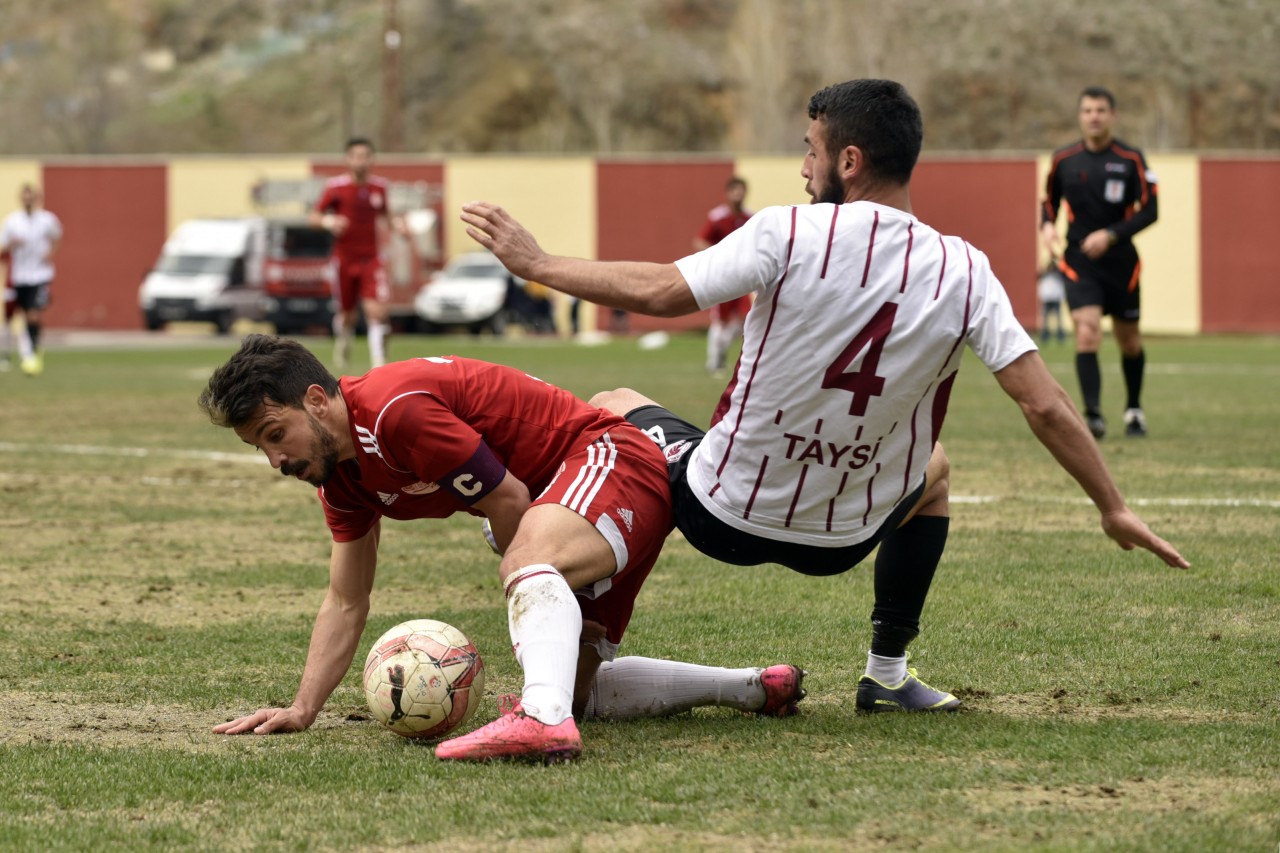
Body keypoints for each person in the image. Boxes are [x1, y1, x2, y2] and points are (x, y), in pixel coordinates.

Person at [458, 78, 1189, 714]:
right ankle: (887, 673)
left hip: (720, 512)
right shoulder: (966, 269)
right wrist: (1112, 506)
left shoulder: (787, 230)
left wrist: (539, 261)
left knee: (617, 399)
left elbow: (660, 290)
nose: (804, 167)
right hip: (845, 539)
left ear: (849, 160)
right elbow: (1044, 403)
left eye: (811, 150)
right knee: (933, 470)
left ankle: (533, 542)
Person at [198, 335, 805, 763]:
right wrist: (303, 708)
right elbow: (346, 599)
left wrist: (533, 595)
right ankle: (753, 687)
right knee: (579, 692)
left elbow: (510, 501)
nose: (278, 461)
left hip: (612, 458)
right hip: (570, 497)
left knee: (525, 564)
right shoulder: (341, 478)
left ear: (314, 399)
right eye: (262, 449)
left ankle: (539, 719)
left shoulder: (391, 411)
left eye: (276, 436)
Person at [1041, 86, 1159, 439]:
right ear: (1080, 116)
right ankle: (1092, 415)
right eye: (1088, 110)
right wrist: (1047, 226)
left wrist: (1111, 235)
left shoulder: (1130, 159)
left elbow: (1151, 209)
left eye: (1101, 110)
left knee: (1130, 342)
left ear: (1112, 115)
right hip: (1079, 262)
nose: (1094, 116)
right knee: (1087, 332)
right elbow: (1048, 202)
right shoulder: (1064, 160)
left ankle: (1134, 410)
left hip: (1121, 263)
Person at [311, 137, 394, 371]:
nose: (361, 161)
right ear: (348, 159)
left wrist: (401, 227)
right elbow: (313, 217)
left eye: (366, 156)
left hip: (371, 258)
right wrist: (330, 221)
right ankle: (344, 340)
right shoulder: (336, 187)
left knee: (375, 311)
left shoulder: (379, 187)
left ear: (372, 159)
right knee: (347, 315)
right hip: (344, 260)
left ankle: (378, 364)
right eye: (356, 156)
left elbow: (388, 216)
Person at [693, 176, 753, 375]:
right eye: (734, 190)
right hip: (722, 275)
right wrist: (718, 257)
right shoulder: (717, 217)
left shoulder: (750, 218)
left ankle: (722, 356)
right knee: (720, 319)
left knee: (745, 318)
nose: (738, 194)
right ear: (727, 193)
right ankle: (714, 361)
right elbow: (700, 242)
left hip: (742, 277)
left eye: (741, 190)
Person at [0, 185, 62, 376]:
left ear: (37, 199)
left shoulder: (47, 219)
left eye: (31, 197)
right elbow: (2, 249)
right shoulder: (12, 222)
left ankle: (33, 350)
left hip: (40, 276)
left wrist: (50, 254)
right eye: (25, 197)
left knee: (33, 314)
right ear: (21, 199)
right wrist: (12, 244)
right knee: (15, 316)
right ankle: (18, 353)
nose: (28, 201)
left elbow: (57, 236)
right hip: (18, 277)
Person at [1037, 257, 1067, 344]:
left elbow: (1063, 274)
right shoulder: (1045, 275)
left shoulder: (1058, 275)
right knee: (1045, 319)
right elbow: (1038, 275)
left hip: (1056, 298)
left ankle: (1061, 337)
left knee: (1058, 319)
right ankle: (1045, 336)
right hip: (1047, 299)